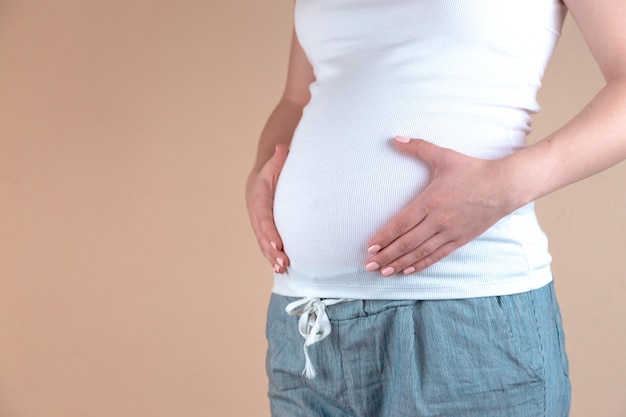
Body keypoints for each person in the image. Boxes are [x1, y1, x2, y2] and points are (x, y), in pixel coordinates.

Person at [246, 0, 626, 415]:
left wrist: (506, 185)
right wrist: (262, 169)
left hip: (464, 322)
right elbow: (295, 100)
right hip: (304, 324)